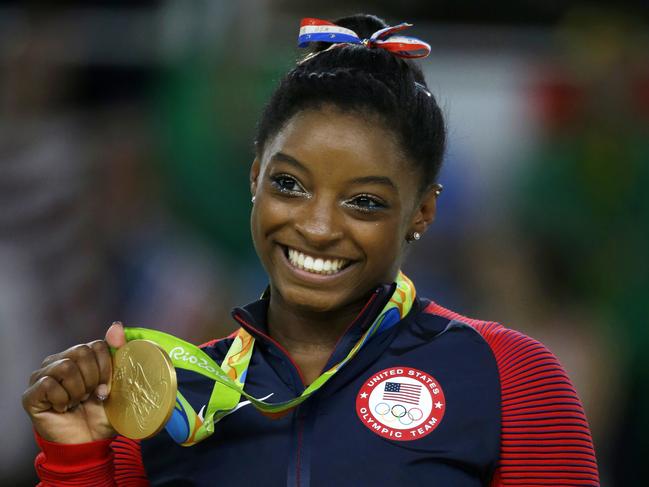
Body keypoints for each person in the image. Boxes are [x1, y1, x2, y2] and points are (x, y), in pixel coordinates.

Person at [22, 14, 600, 486]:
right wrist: (79, 458)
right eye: (290, 185)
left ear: (422, 211)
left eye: (365, 202)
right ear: (254, 177)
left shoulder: (510, 378)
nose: (318, 228)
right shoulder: (163, 399)